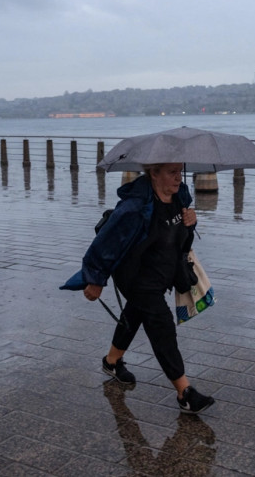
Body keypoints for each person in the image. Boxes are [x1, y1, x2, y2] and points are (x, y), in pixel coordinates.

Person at [62, 162, 215, 414]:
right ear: (154, 173)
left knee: (135, 314)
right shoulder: (134, 207)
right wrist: (95, 279)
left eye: (179, 171)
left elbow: (180, 240)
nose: (178, 177)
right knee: (160, 324)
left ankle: (111, 362)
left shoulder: (180, 198)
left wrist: (191, 221)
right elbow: (106, 243)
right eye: (171, 172)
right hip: (136, 277)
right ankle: (184, 393)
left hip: (162, 275)